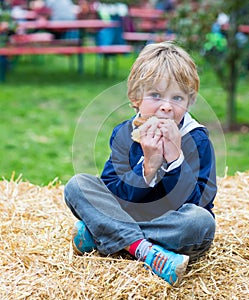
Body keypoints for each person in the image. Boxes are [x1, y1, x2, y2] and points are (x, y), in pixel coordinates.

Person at [64, 41, 217, 286]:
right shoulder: (124, 134)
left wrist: (175, 160)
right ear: (136, 98)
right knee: (78, 185)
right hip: (125, 210)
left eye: (177, 97)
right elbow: (111, 189)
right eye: (156, 95)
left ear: (189, 102)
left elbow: (202, 200)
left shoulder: (196, 138)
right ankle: (145, 250)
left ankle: (104, 235)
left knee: (201, 223)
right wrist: (147, 166)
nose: (167, 106)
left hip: (170, 222)